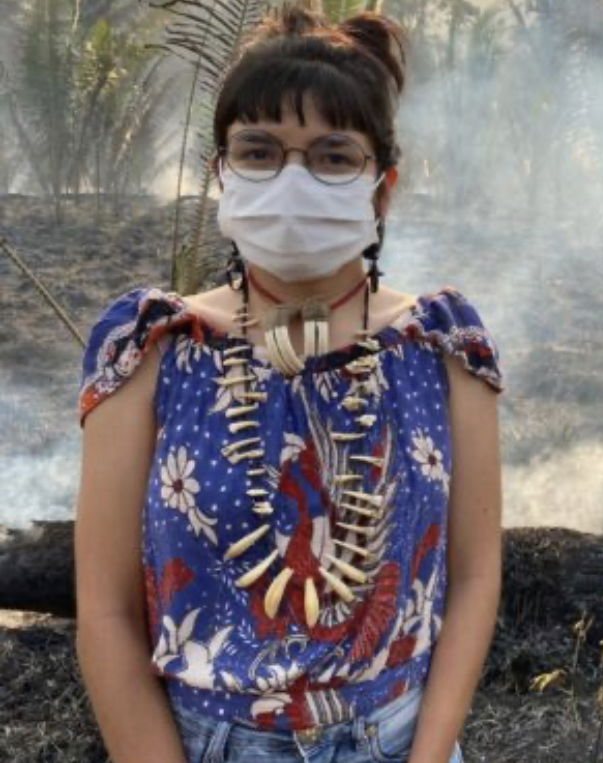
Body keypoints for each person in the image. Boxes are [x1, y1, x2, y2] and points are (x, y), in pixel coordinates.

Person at [73, 6, 503, 762]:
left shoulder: (444, 347)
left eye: (333, 156)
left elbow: (473, 578)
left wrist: (430, 755)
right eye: (260, 151)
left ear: (383, 187)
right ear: (220, 172)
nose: (292, 179)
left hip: (404, 740)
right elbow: (105, 611)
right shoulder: (149, 350)